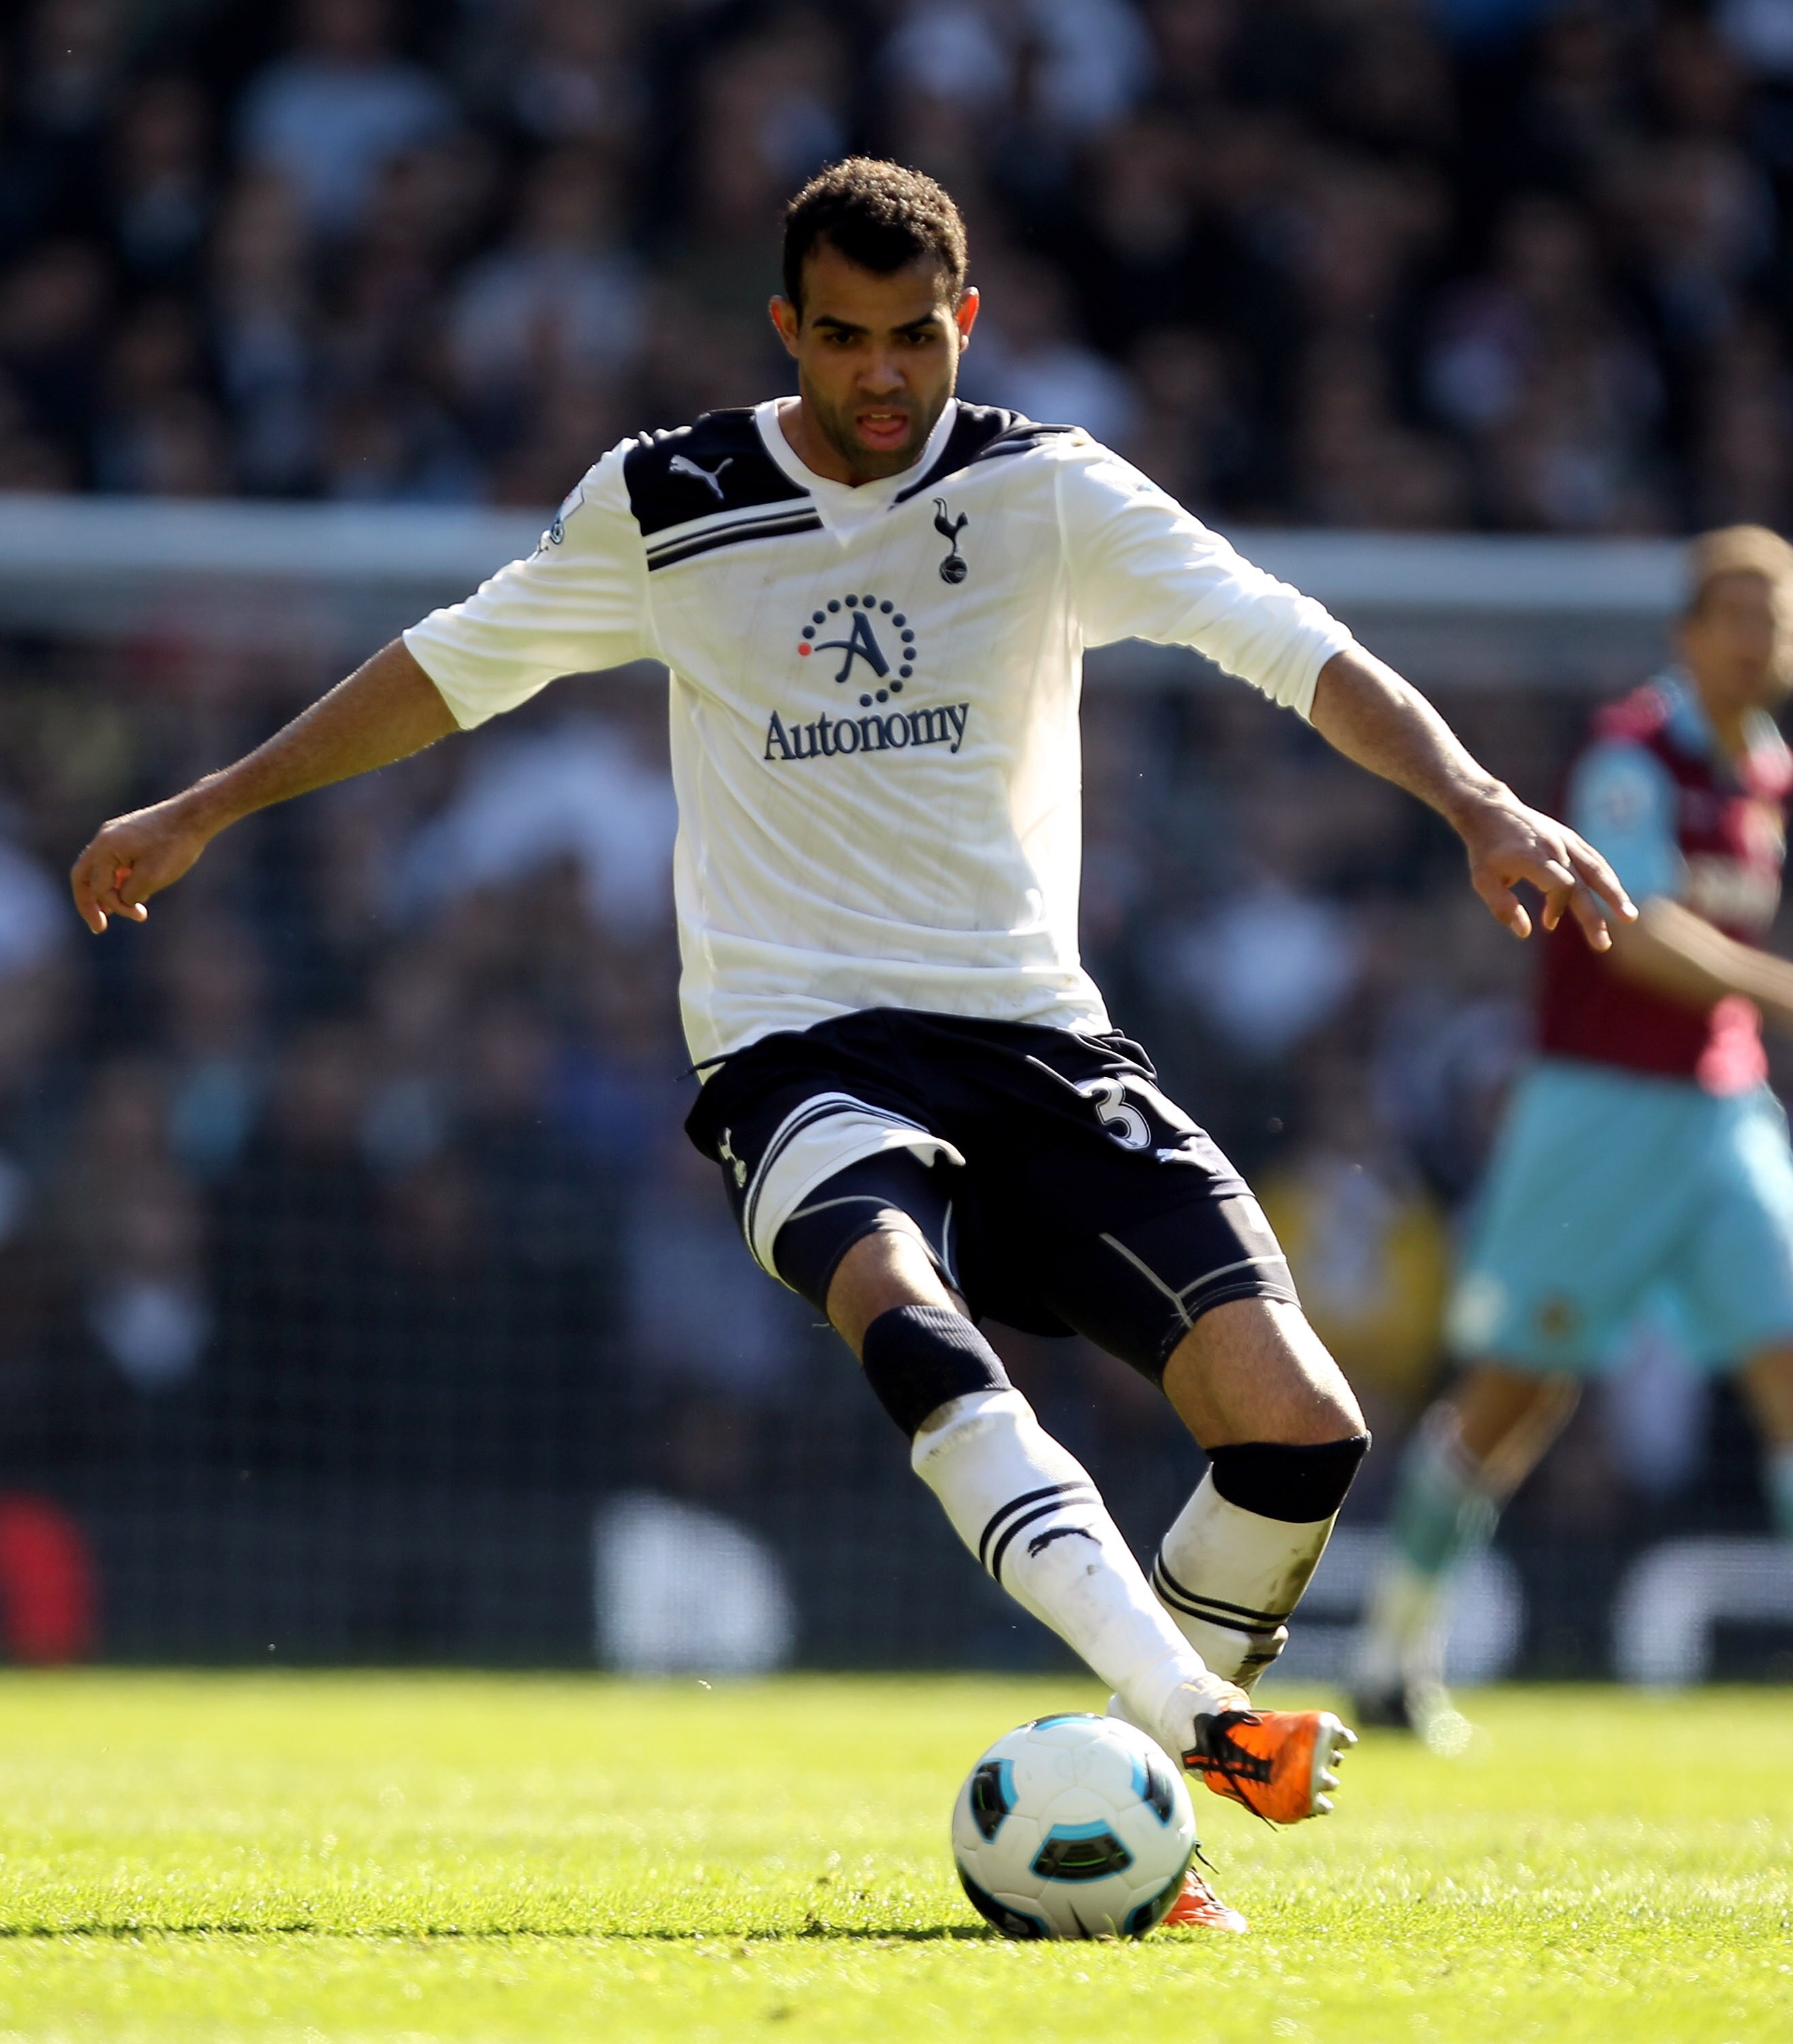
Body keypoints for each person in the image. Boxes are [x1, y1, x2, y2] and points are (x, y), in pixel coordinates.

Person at [70, 159, 1630, 1932]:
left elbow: (1290, 647)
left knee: (1300, 1430)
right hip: (797, 1048)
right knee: (899, 1297)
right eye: (845, 342)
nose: (884, 379)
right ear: (785, 331)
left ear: (964, 323)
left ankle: (1134, 1786)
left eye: (915, 341)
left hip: (1038, 1038)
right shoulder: (669, 502)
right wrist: (209, 804)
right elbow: (452, 667)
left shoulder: (1048, 491)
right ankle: (1203, 1725)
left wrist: (1479, 799)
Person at [1352, 525, 1793, 1750]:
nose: (1766, 637)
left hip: (1723, 1109)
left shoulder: (1765, 767)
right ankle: (1396, 1651)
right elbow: (1632, 924)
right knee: (1514, 1397)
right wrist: (1780, 990)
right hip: (1598, 1111)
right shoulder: (1632, 751)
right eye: (1744, 613)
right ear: (1690, 631)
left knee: (1790, 1367)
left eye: (1781, 614)